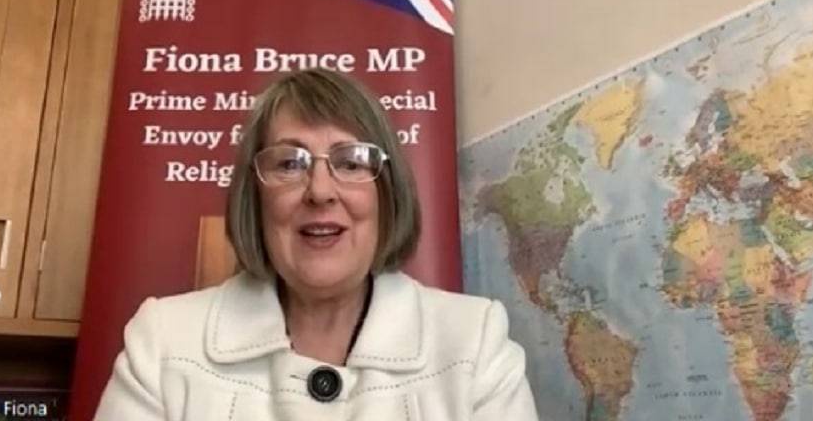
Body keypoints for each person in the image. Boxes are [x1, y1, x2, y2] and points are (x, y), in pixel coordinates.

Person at [95, 68, 539, 420]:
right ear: (255, 196)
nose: (320, 191)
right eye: (290, 163)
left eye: (350, 162)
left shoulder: (474, 341)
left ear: (387, 192)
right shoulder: (162, 343)